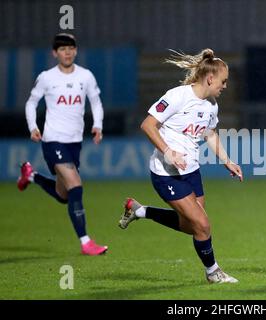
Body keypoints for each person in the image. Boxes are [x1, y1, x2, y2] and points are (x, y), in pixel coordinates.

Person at [118, 48, 243, 283]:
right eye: (223, 81)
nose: (225, 86)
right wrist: (168, 151)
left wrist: (227, 161)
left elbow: (210, 133)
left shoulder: (211, 105)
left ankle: (140, 210)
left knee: (192, 226)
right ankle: (213, 272)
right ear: (210, 78)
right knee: (203, 224)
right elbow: (147, 125)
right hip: (166, 174)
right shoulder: (177, 96)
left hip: (191, 171)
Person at [17, 33, 108, 256]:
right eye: (62, 49)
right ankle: (86, 242)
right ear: (54, 53)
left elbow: (96, 102)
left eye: (70, 48)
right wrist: (32, 127)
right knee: (75, 186)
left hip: (74, 142)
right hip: (53, 140)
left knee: (64, 195)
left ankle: (31, 176)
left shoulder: (85, 76)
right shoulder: (47, 77)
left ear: (75, 51)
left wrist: (97, 125)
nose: (66, 52)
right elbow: (31, 103)